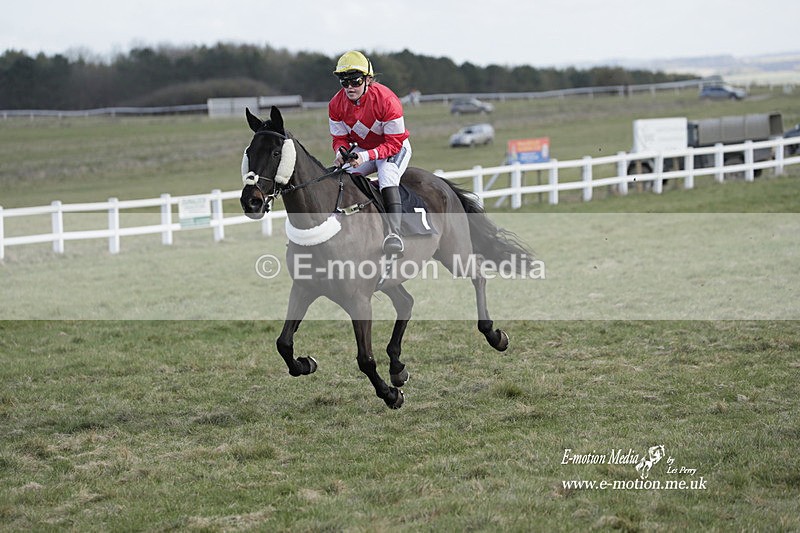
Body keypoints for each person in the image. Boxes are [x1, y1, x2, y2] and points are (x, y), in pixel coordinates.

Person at [328, 50, 411, 255]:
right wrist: (341, 151)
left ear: (368, 79)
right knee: (339, 177)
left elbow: (393, 143)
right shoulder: (335, 104)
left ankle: (394, 234)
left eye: (355, 81)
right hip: (364, 148)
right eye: (344, 82)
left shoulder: (387, 101)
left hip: (393, 147)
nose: (349, 87)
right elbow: (339, 138)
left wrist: (364, 156)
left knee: (387, 175)